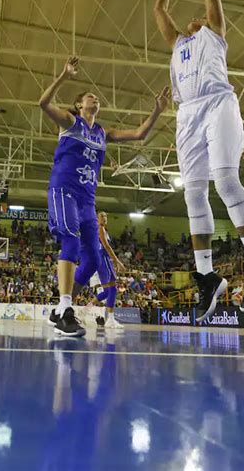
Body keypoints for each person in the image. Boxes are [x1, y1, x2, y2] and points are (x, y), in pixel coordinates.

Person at [153, 0, 244, 323]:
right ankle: (207, 277)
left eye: (200, 16)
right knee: (192, 194)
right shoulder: (178, 45)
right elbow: (159, 12)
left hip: (218, 102)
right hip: (187, 113)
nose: (196, 18)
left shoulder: (215, 34)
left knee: (224, 181)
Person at [39, 55, 169, 336]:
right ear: (79, 104)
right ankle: (64, 309)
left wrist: (157, 110)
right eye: (89, 96)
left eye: (96, 97)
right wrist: (64, 76)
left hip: (88, 199)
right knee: (71, 244)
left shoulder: (102, 133)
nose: (94, 99)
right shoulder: (70, 123)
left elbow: (139, 134)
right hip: (64, 189)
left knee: (95, 260)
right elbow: (43, 103)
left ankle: (61, 308)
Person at [90, 211, 126, 329]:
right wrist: (117, 262)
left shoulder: (104, 230)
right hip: (103, 259)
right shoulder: (100, 229)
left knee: (111, 290)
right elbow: (106, 247)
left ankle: (110, 319)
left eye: (105, 216)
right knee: (109, 289)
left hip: (105, 260)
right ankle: (85, 312)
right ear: (97, 219)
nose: (104, 218)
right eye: (101, 216)